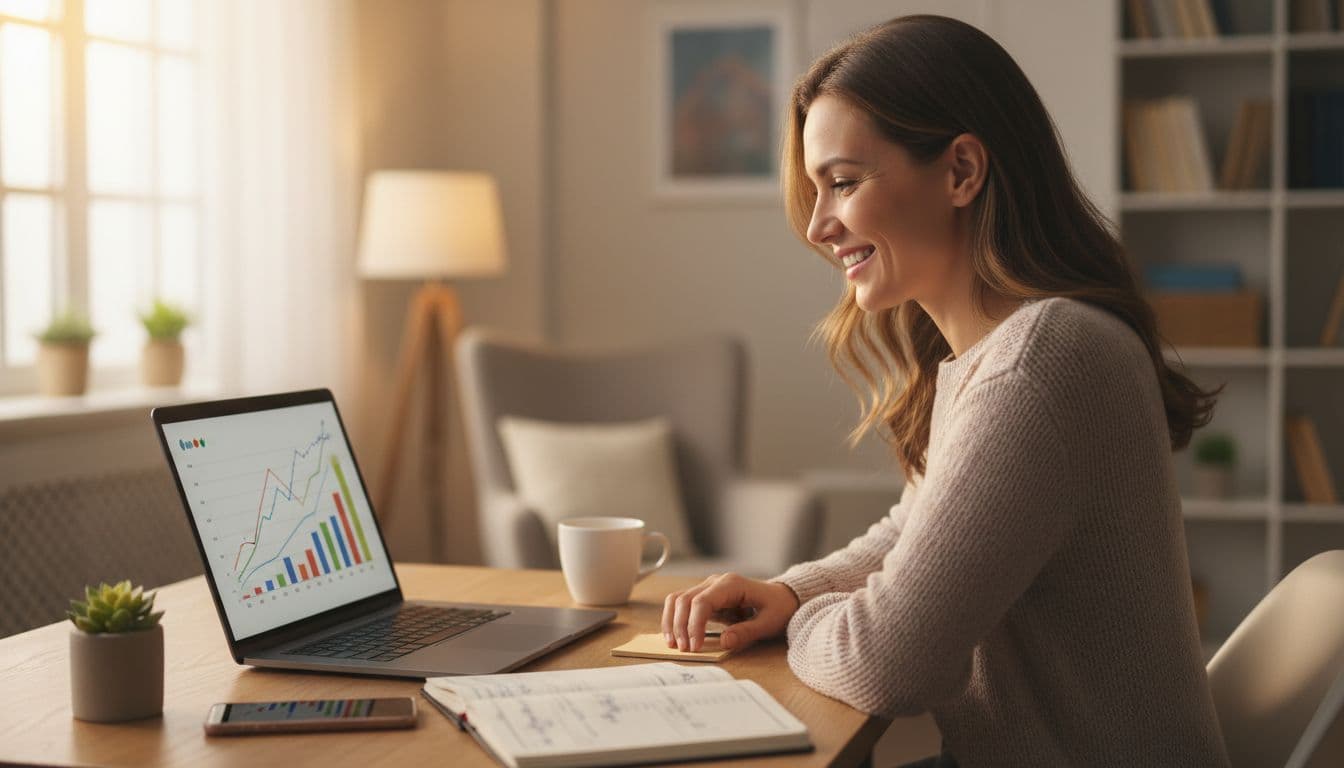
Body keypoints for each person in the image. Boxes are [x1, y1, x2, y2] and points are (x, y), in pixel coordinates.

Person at [659, 15, 1231, 767]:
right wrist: (792, 593)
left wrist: (812, 622)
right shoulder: (1004, 352)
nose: (820, 226)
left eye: (842, 182)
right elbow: (920, 525)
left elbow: (890, 664)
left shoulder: (1043, 362)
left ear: (961, 171)